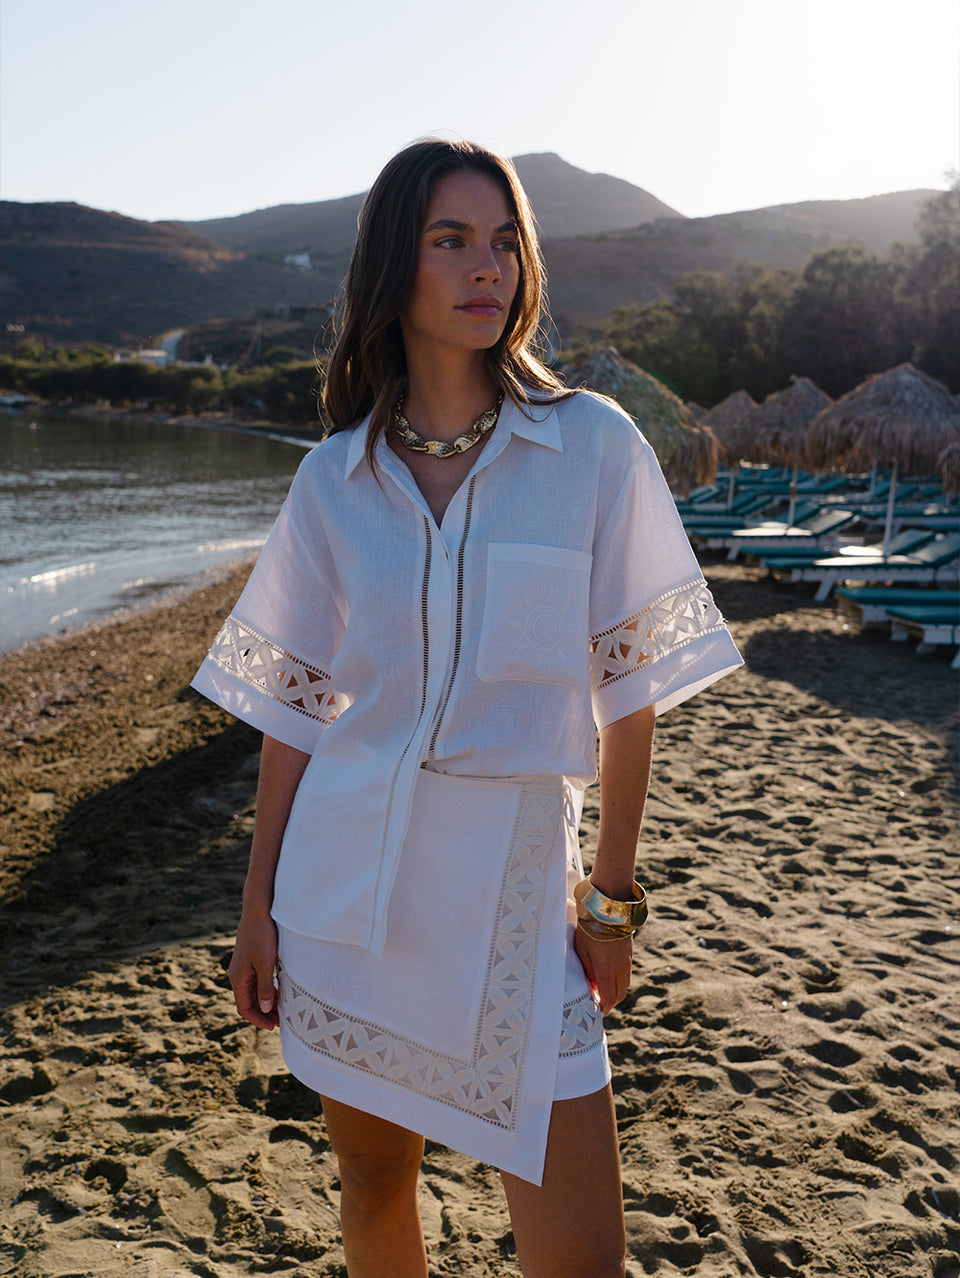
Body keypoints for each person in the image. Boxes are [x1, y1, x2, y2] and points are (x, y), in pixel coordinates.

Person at [191, 138, 742, 1278]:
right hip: (347, 905)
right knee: (378, 1189)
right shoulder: (333, 479)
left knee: (582, 1258)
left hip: (522, 897)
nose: (486, 267)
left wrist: (614, 901)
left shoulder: (589, 445)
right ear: (396, 266)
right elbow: (296, 708)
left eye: (503, 242)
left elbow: (631, 690)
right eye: (452, 241)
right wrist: (256, 909)